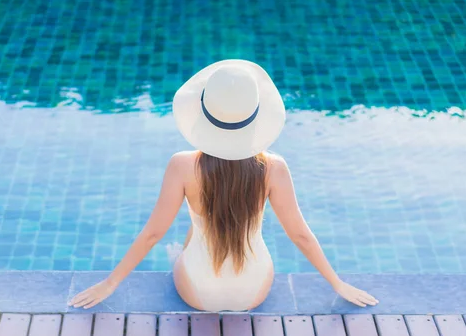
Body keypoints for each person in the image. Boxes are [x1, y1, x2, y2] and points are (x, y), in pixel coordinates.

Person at [70, 60, 378, 311]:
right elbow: (300, 235)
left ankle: (189, 255)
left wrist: (109, 283)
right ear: (255, 116)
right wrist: (338, 283)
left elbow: (152, 234)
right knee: (222, 224)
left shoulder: (182, 166)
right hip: (254, 291)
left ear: (204, 113)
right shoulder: (274, 168)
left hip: (197, 292)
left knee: (195, 226)